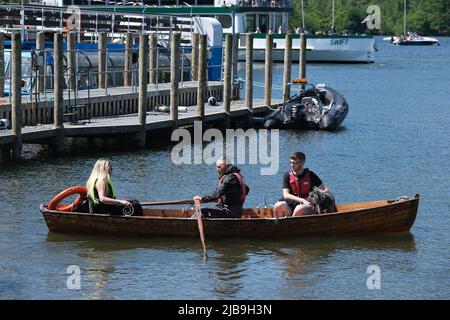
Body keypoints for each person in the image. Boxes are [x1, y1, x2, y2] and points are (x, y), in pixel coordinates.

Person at [273, 152, 331, 217]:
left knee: (299, 208)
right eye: (291, 162)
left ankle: (292, 225)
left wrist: (318, 198)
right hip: (292, 204)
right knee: (278, 205)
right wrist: (302, 200)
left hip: (307, 205)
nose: (292, 165)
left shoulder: (310, 175)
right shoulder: (287, 176)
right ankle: (280, 225)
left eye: (295, 163)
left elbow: (325, 190)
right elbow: (286, 195)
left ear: (302, 163)